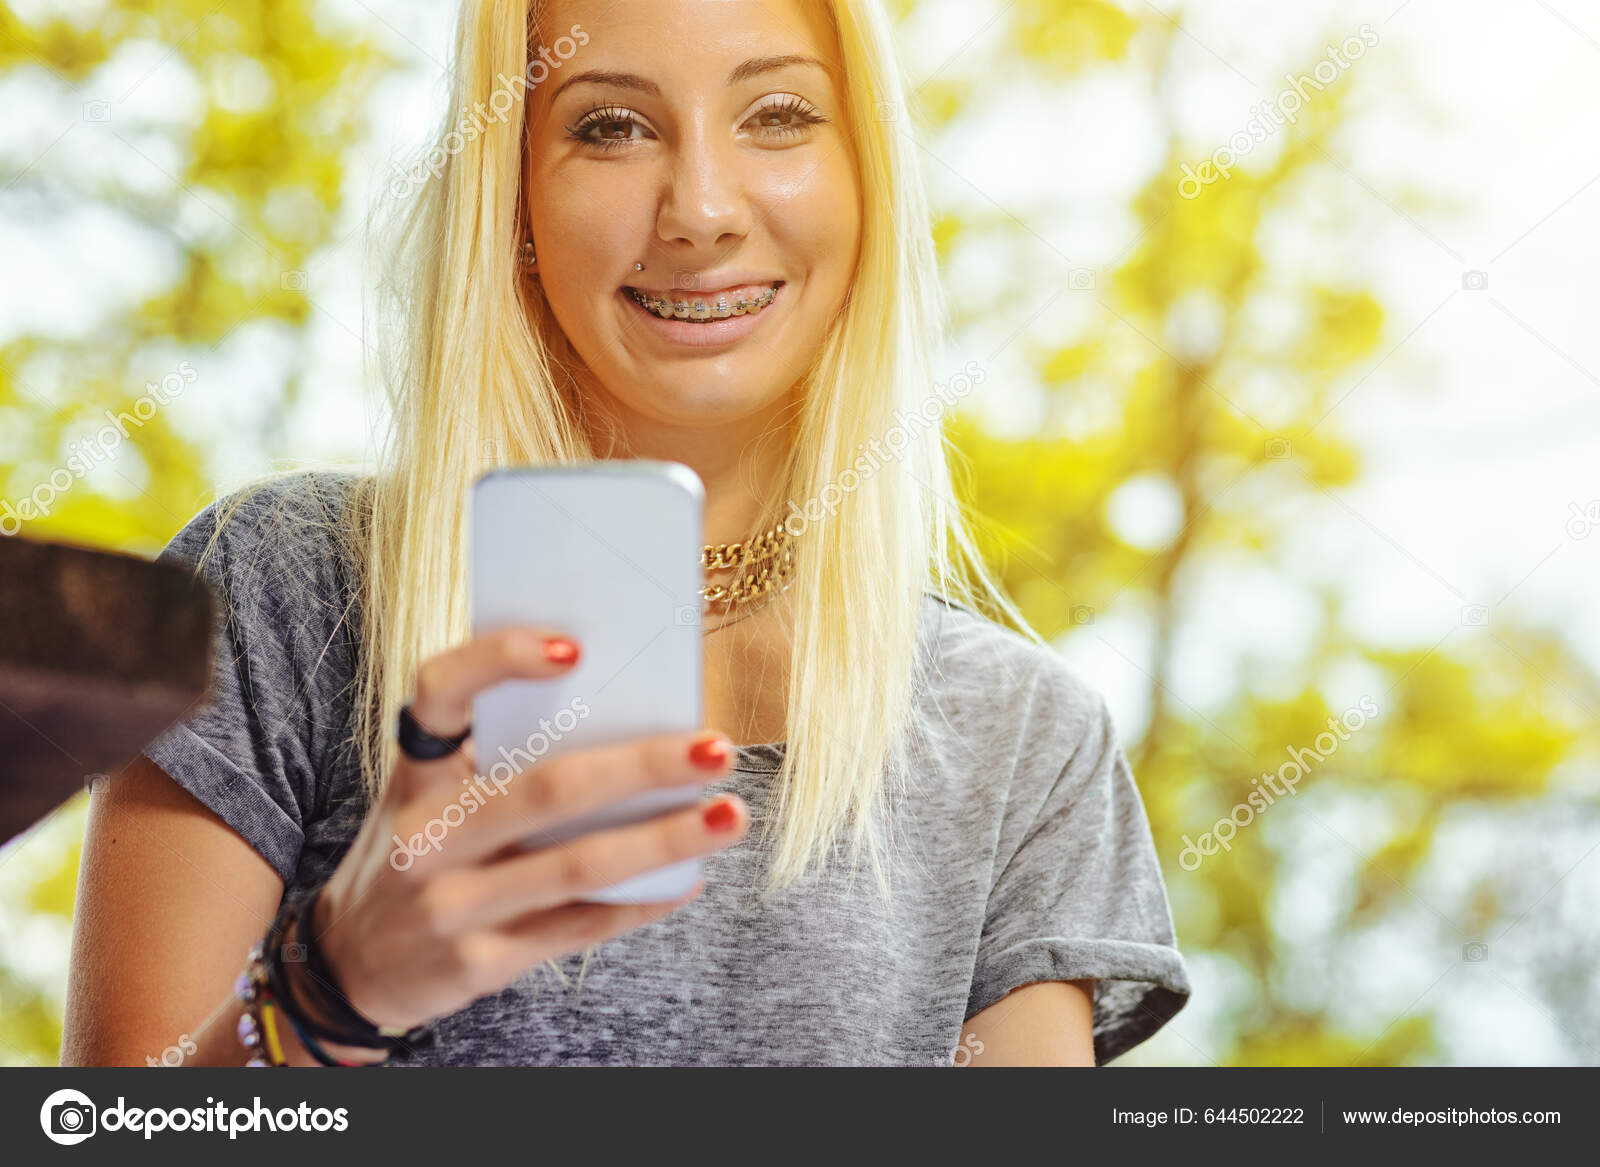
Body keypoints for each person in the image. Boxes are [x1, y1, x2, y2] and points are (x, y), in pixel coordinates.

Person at [62, 0, 1189, 1067]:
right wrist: (328, 991)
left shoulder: (1022, 743)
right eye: (610, 127)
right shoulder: (287, 588)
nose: (700, 207)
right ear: (514, 200)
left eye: (779, 116)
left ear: (867, 179)